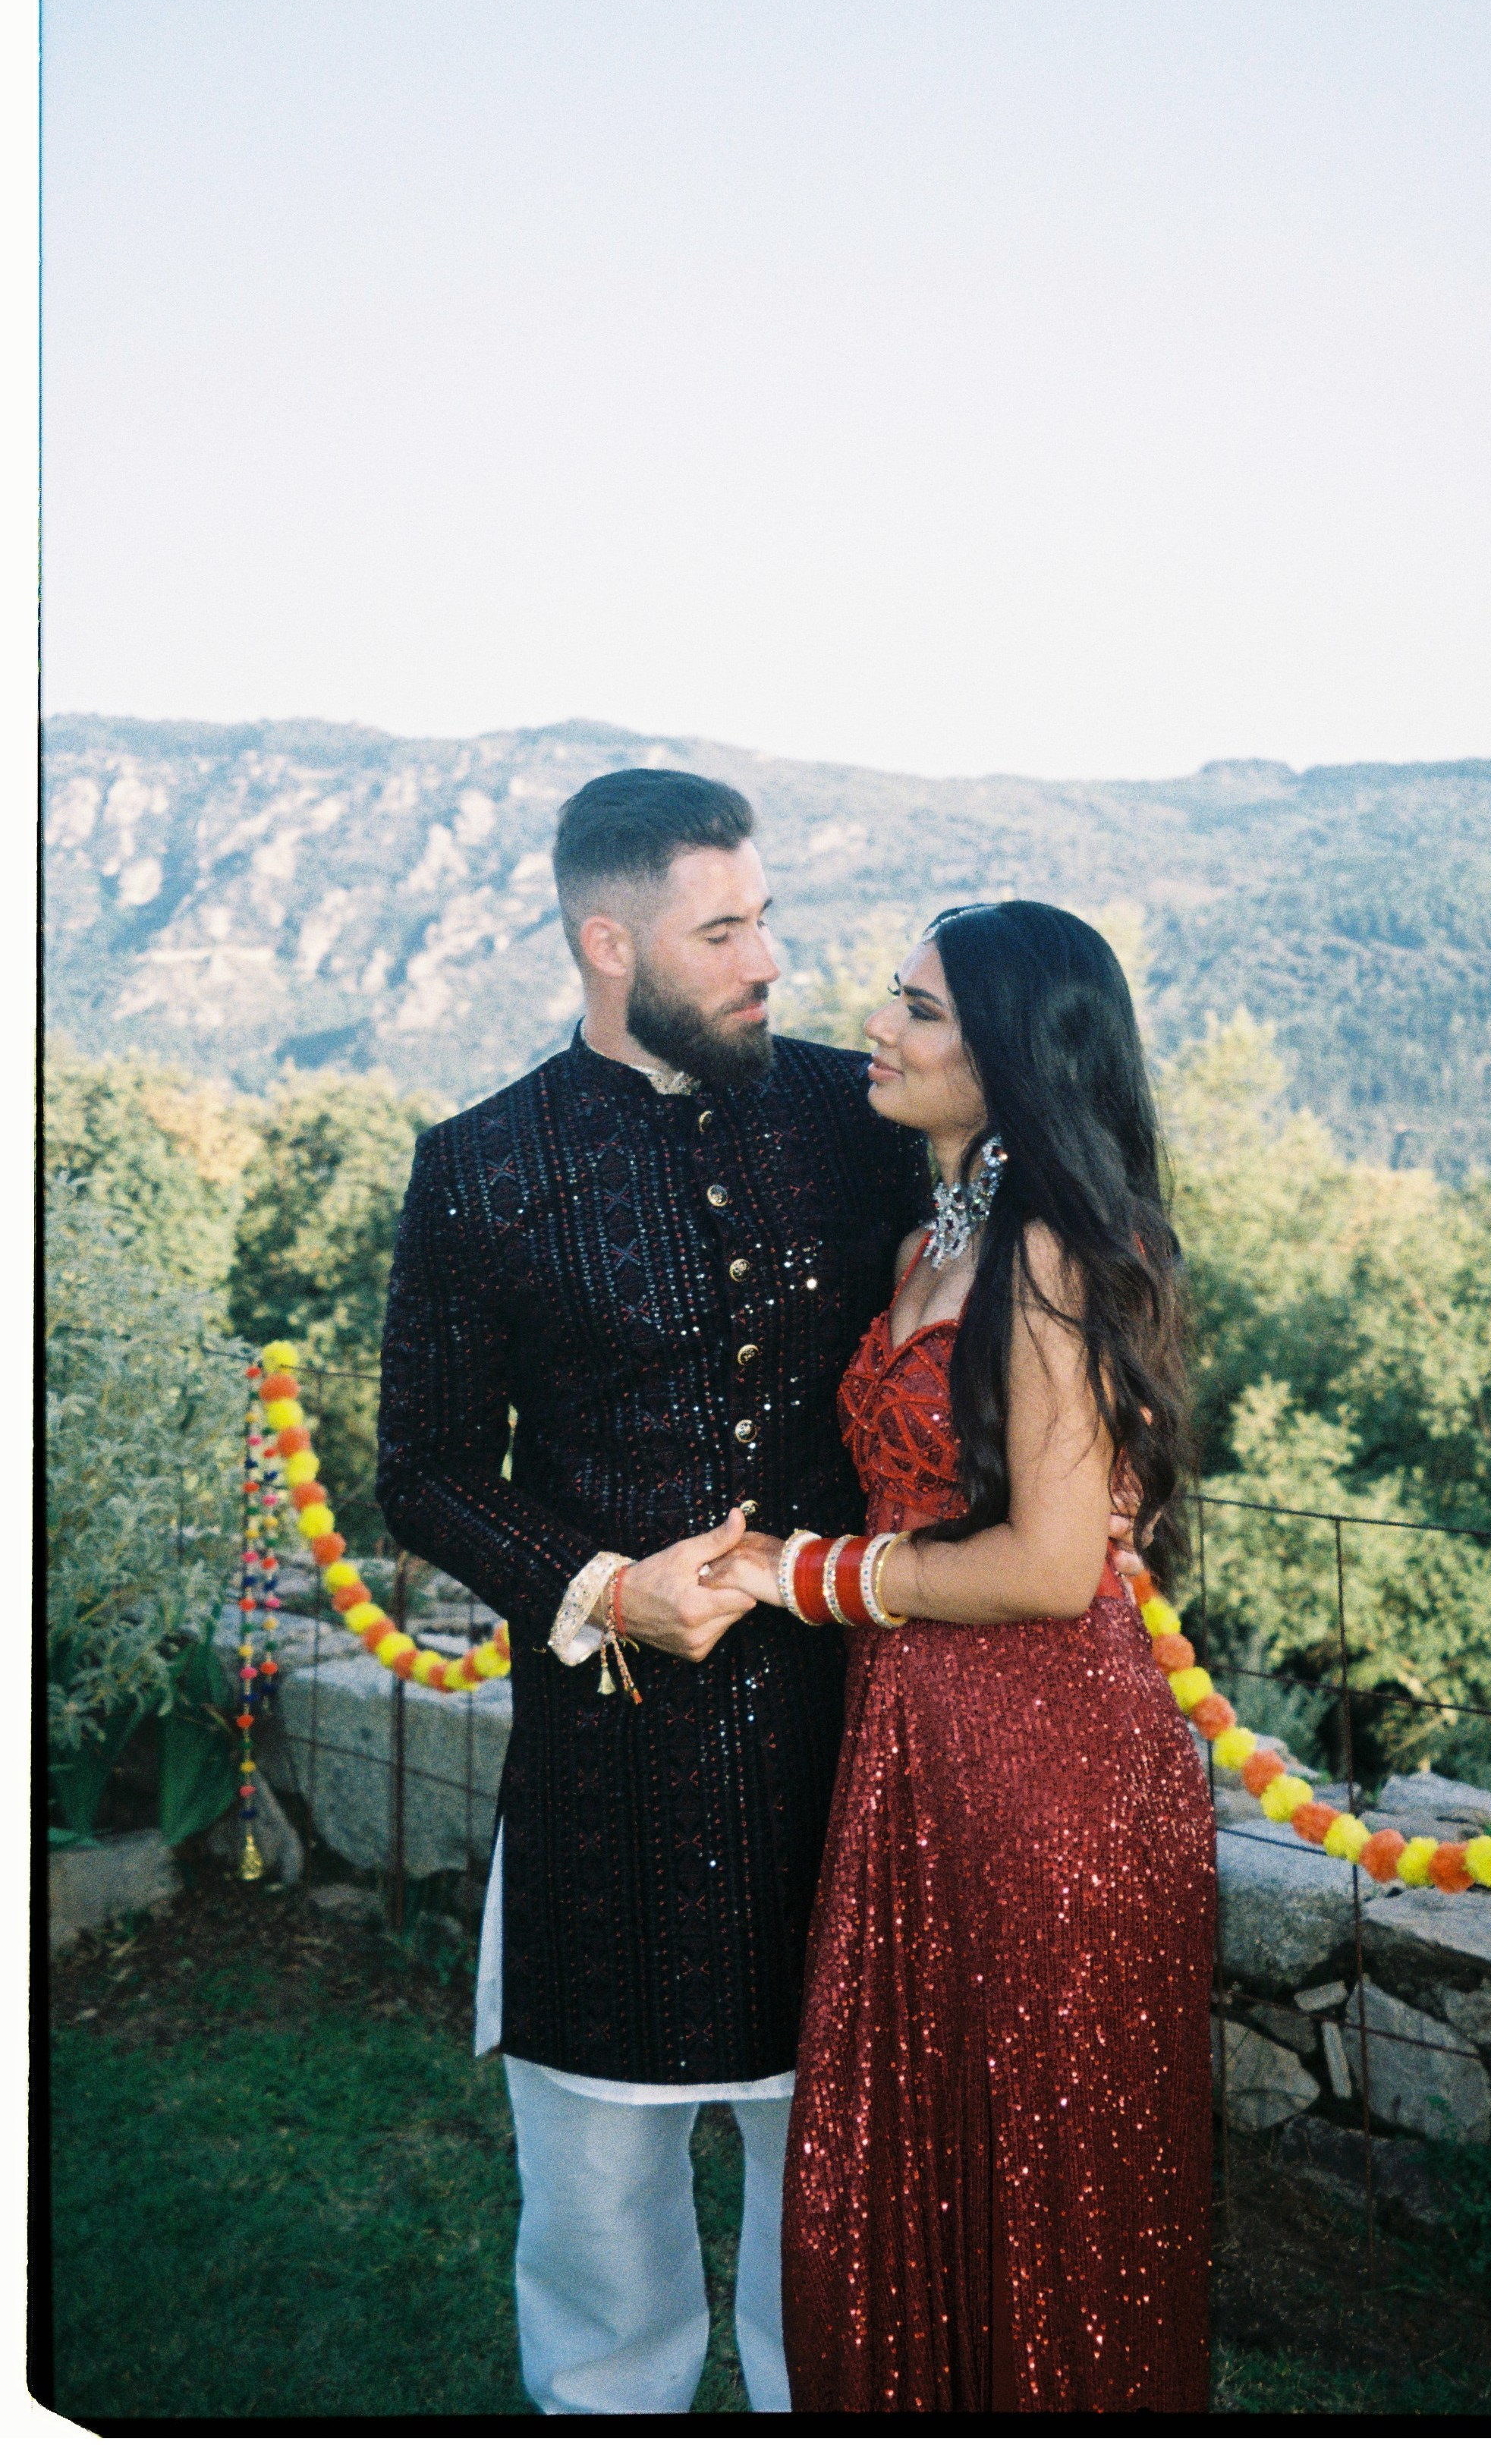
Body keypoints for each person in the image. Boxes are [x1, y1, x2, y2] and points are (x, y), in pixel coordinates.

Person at [373, 766, 933, 2415]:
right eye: (726, 928)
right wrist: (602, 1585)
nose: (770, 955)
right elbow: (423, 1465)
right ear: (610, 943)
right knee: (599, 2210)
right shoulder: (479, 1165)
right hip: (604, 1771)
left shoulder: (857, 1115)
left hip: (845, 1745)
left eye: (765, 914)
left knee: (823, 2197)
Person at [712, 901, 1217, 2413]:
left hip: (1048, 1770)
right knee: (908, 2160)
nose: (878, 1024)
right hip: (915, 1739)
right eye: (890, 998)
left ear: (1007, 1058)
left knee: (1044, 2191)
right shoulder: (925, 1237)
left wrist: (794, 1575)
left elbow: (1051, 1565)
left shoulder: (1055, 1248)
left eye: (919, 1010)